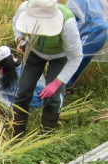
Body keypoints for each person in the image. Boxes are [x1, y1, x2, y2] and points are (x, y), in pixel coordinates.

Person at [12, 0, 83, 135]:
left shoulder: (67, 22)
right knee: (22, 91)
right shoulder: (25, 8)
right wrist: (19, 40)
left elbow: (76, 57)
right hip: (34, 51)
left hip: (60, 56)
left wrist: (56, 83)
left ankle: (46, 135)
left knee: (53, 97)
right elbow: (16, 24)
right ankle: (17, 135)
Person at [0, 45, 46, 109]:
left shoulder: (4, 78)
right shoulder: (28, 68)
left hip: (19, 108)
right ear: (12, 56)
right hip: (39, 103)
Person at [65, 0, 108, 92]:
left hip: (92, 33)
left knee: (74, 58)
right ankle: (67, 84)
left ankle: (64, 85)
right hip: (97, 33)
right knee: (79, 59)